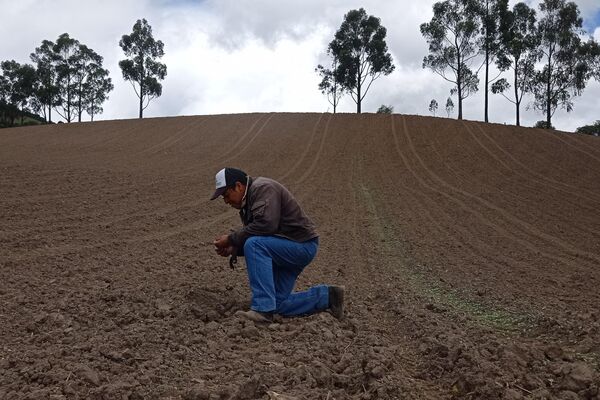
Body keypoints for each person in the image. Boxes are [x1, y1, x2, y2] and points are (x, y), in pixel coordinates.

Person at [211, 167, 344, 323]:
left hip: (301, 246)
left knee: (254, 245)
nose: (226, 201)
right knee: (276, 304)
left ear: (238, 186)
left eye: (226, 195)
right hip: (287, 248)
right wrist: (235, 248)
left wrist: (231, 239)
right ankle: (328, 296)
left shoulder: (262, 188)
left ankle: (261, 310)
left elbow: (266, 226)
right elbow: (261, 233)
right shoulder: (249, 201)